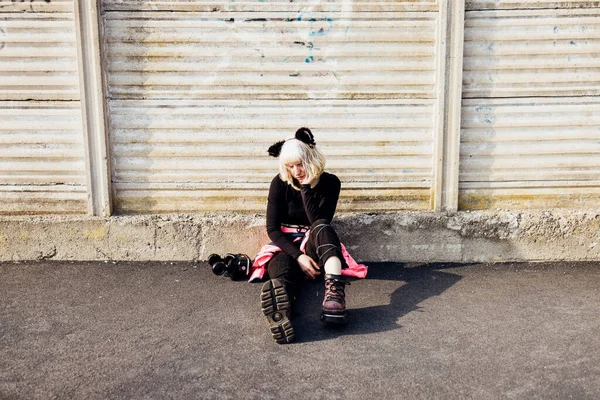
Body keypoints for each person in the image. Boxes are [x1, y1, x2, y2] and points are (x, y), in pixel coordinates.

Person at [250, 127, 367, 344]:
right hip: (287, 246)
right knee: (282, 272)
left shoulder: (331, 183)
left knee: (322, 226)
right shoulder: (279, 183)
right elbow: (273, 229)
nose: (296, 171)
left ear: (311, 158)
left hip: (317, 244)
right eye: (290, 166)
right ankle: (282, 312)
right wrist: (299, 256)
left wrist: (306, 188)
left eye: (300, 164)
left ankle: (334, 294)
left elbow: (318, 222)